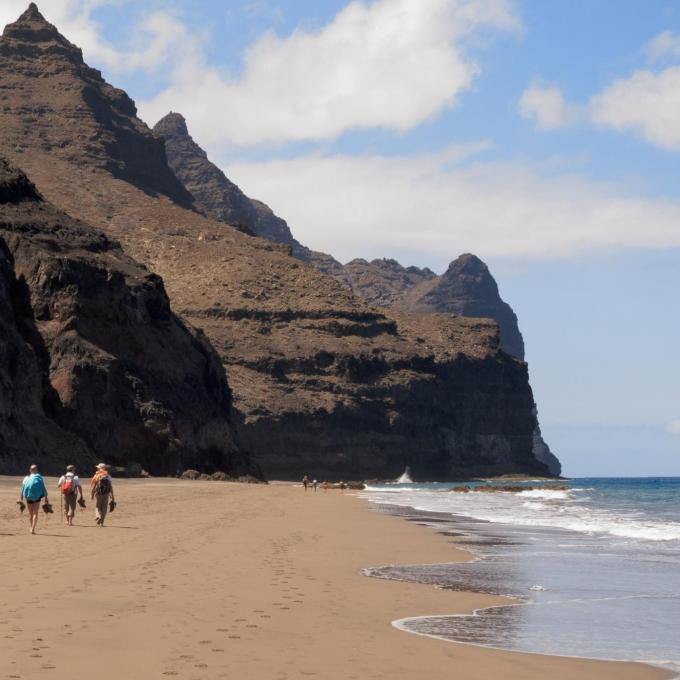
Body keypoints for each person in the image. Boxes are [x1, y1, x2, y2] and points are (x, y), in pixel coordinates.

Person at [19, 464, 49, 534]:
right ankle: (33, 528)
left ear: (30, 470)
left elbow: (23, 488)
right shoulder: (39, 477)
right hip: (37, 497)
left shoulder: (26, 478)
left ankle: (30, 527)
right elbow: (43, 488)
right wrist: (46, 497)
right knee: (35, 513)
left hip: (28, 497)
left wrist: (21, 497)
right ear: (37, 470)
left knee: (30, 513)